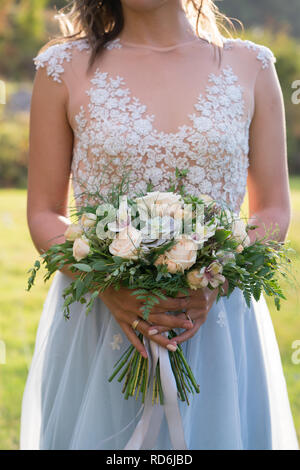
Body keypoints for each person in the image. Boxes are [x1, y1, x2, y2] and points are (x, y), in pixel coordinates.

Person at [20, 0, 299, 450]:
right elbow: (43, 211)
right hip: (105, 324)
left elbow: (272, 212)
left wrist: (213, 280)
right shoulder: (61, 68)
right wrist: (107, 285)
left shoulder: (251, 65)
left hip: (217, 325)